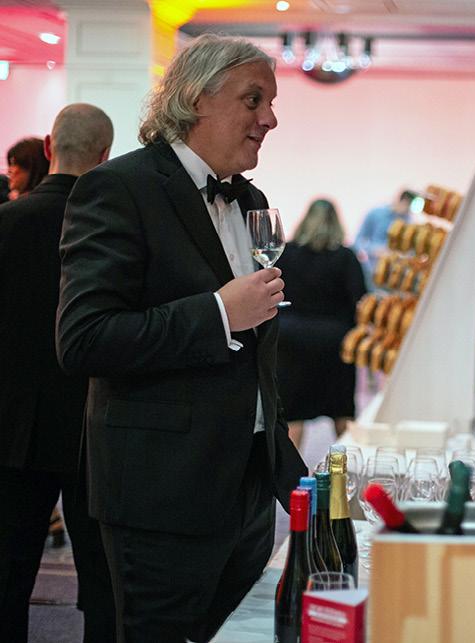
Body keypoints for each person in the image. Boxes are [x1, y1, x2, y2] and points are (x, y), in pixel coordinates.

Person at [56, 34, 307, 642]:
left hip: (247, 487)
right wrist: (217, 314)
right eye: (254, 100)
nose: (270, 119)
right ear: (196, 97)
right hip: (160, 491)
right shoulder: (119, 188)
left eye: (271, 103)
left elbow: (257, 355)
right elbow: (84, 338)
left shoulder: (251, 200)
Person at [0, 104, 116, 643]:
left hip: (14, 424)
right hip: (94, 424)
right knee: (103, 582)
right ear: (105, 156)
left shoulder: (7, 221)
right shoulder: (114, 228)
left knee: (8, 576)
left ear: (48, 147)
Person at [277, 198, 367, 446]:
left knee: (293, 416)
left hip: (292, 341)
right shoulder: (346, 257)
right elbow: (360, 301)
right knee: (342, 413)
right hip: (335, 343)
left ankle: (291, 471)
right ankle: (351, 466)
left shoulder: (285, 253)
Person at [353, 189, 415, 280]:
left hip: (394, 275)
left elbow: (411, 251)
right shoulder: (376, 214)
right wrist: (374, 250)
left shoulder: (409, 222)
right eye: (407, 205)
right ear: (401, 201)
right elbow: (358, 241)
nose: (408, 210)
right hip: (371, 270)